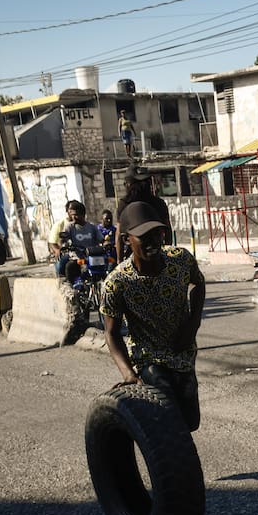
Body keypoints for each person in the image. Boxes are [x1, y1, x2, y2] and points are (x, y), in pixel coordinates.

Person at [101, 202, 206, 431]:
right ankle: (171, 464)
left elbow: (198, 283)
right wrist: (128, 373)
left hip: (183, 351)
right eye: (143, 236)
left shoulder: (180, 260)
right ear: (128, 239)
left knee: (190, 422)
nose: (153, 242)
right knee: (169, 417)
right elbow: (111, 332)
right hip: (149, 357)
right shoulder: (117, 282)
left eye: (156, 234)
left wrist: (193, 324)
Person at [116, 166, 170, 251]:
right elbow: (168, 231)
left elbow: (118, 234)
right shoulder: (158, 203)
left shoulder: (124, 204)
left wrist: (119, 260)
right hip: (149, 252)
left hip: (154, 252)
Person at [59, 200, 103, 284]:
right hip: (77, 258)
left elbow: (102, 240)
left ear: (82, 214)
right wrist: (64, 244)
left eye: (76, 215)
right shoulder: (70, 227)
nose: (73, 217)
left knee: (109, 264)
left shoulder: (92, 227)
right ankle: (73, 290)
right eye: (72, 215)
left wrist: (106, 244)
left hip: (92, 258)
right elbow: (63, 239)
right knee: (70, 266)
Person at [48, 200, 74, 265]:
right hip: (67, 254)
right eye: (71, 210)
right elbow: (52, 242)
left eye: (76, 210)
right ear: (67, 210)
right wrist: (57, 250)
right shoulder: (59, 224)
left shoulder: (85, 225)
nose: (73, 212)